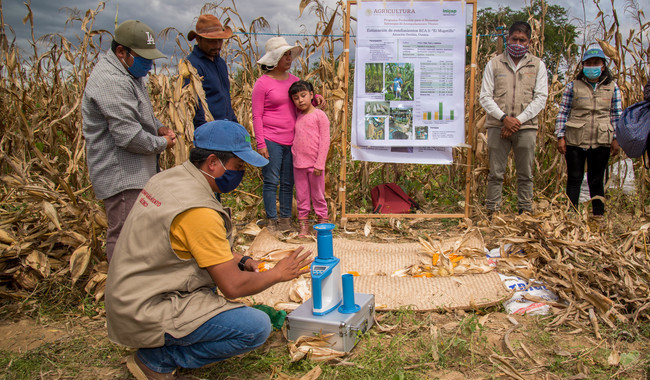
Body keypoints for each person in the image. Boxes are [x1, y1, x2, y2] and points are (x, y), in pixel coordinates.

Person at [105, 120, 312, 379]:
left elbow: (190, 244)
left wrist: (242, 259)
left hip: (130, 298)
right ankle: (156, 359)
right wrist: (278, 274)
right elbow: (233, 287)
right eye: (238, 167)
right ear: (213, 162)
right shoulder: (199, 211)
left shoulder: (169, 178)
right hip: (146, 309)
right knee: (254, 327)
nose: (241, 173)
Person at [82, 20, 176, 263]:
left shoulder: (128, 73)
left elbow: (139, 113)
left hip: (135, 172)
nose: (150, 64)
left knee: (136, 231)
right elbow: (129, 137)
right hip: (122, 174)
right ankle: (120, 288)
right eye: (143, 57)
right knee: (124, 233)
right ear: (121, 52)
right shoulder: (111, 82)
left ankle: (133, 282)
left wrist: (159, 127)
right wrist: (163, 143)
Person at [252, 37, 324, 233]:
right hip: (271, 139)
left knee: (287, 182)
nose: (289, 58)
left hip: (293, 140)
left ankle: (285, 220)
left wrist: (316, 99)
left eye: (290, 54)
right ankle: (272, 221)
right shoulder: (263, 83)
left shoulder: (293, 81)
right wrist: (261, 143)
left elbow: (305, 99)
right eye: (285, 55)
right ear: (275, 58)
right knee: (271, 180)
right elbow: (257, 116)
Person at [479, 21, 548, 214]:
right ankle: (493, 212)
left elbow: (540, 97)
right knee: (495, 173)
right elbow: (485, 96)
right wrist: (504, 119)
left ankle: (525, 212)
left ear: (530, 41)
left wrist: (517, 121)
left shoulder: (537, 65)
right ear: (507, 39)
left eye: (522, 40)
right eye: (514, 39)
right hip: (497, 126)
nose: (517, 43)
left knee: (525, 173)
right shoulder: (493, 64)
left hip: (526, 128)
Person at [555, 48, 621, 216]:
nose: (592, 66)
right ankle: (571, 216)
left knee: (597, 179)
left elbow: (616, 114)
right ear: (583, 65)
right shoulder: (573, 86)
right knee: (574, 178)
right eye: (588, 63)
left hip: (601, 138)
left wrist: (616, 138)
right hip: (575, 138)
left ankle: (598, 216)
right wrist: (560, 136)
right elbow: (563, 112)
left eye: (596, 63)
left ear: (603, 66)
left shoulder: (612, 87)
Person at [289, 81, 331, 237]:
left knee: (318, 196)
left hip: (315, 166)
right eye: (296, 97)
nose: (300, 100)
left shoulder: (320, 115)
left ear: (312, 95)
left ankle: (323, 225)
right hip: (298, 164)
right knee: (302, 197)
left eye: (303, 95)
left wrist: (320, 164)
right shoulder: (297, 115)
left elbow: (325, 140)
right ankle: (304, 227)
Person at [186, 14, 238, 128]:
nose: (217, 45)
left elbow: (225, 98)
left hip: (227, 126)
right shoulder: (192, 65)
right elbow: (194, 106)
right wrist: (205, 130)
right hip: (209, 131)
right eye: (212, 41)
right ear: (198, 39)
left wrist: (235, 124)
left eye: (220, 40)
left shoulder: (221, 63)